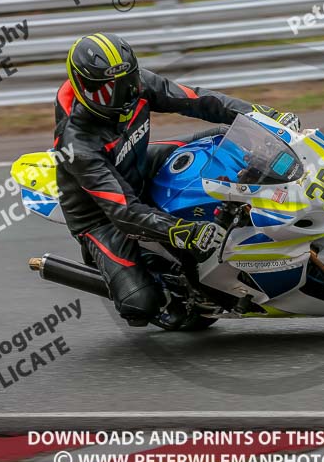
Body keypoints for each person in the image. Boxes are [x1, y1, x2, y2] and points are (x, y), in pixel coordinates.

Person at [53, 33, 301, 327]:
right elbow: (123, 212)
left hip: (139, 165)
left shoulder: (136, 86)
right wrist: (184, 231)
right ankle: (148, 283)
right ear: (82, 86)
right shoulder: (76, 143)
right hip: (101, 215)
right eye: (105, 90)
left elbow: (199, 101)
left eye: (124, 83)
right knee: (141, 304)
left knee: (223, 139)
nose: (119, 96)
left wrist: (260, 115)